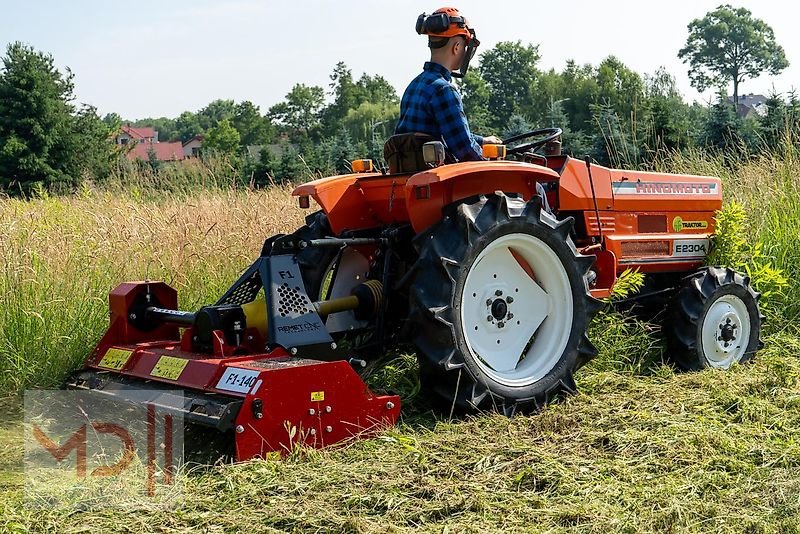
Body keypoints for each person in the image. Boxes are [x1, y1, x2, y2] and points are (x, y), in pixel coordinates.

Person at [395, 7, 502, 162]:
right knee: (535, 187)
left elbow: (446, 134)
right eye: (465, 47)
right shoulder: (444, 89)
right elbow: (465, 150)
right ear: (457, 47)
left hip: (415, 177)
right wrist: (496, 164)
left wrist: (483, 141)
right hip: (441, 182)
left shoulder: (414, 86)